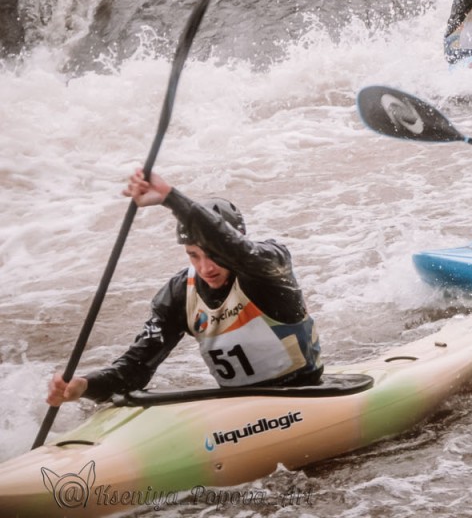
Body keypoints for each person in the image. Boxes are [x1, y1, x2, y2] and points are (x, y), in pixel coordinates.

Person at [46, 169, 322, 405]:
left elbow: (239, 250)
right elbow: (135, 369)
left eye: (213, 254)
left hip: (303, 394)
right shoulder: (180, 293)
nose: (206, 268)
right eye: (194, 255)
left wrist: (170, 197)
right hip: (237, 405)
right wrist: (84, 386)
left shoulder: (268, 268)